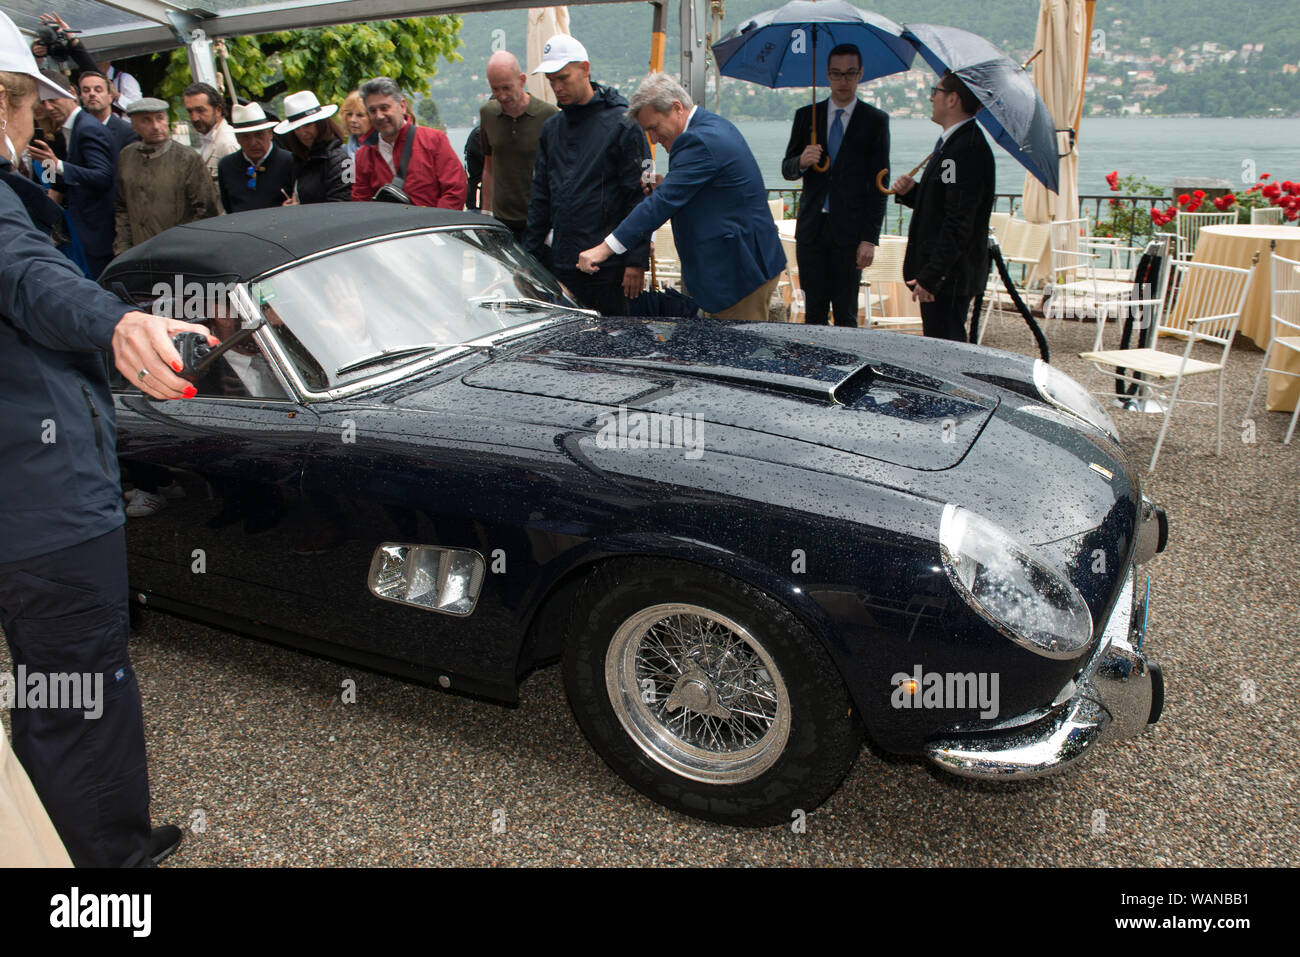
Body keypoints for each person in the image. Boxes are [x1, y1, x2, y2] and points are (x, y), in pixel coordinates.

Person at [2, 11, 211, 866]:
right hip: (45, 507)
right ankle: (101, 875)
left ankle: (93, 836)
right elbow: (27, 274)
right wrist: (118, 319)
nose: (37, 124)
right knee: (80, 693)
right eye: (28, 108)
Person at [577, 73, 784, 321]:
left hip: (738, 274)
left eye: (654, 128)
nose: (652, 139)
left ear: (677, 108)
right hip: (744, 265)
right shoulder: (710, 127)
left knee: (737, 354)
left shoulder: (697, 140)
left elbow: (660, 205)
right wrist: (668, 185)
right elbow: (701, 190)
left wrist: (604, 249)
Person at [523, 35, 648, 315]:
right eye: (551, 80)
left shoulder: (623, 124)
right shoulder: (551, 129)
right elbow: (540, 198)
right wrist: (528, 258)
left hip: (611, 268)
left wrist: (636, 261)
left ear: (585, 69)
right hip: (563, 264)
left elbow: (640, 196)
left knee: (615, 346)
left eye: (563, 78)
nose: (557, 87)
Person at [782, 43, 890, 327]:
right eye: (836, 74)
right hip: (812, 232)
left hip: (851, 234)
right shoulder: (807, 117)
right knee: (813, 313)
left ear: (860, 74)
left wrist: (870, 238)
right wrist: (802, 161)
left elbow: (881, 184)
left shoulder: (875, 121)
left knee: (846, 315)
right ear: (827, 76)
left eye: (850, 74)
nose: (843, 81)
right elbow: (787, 169)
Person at [891, 71, 995, 341]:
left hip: (949, 278)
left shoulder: (964, 149)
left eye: (935, 91)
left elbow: (958, 219)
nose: (930, 97)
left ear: (952, 100)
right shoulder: (953, 146)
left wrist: (932, 276)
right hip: (945, 276)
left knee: (946, 349)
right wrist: (912, 193)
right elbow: (945, 203)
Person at [24, 67, 115, 276]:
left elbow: (102, 176)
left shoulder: (84, 128)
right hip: (74, 222)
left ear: (70, 92)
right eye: (41, 102)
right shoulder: (64, 131)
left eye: (52, 99)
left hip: (88, 227)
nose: (47, 107)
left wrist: (56, 166)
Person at [114, 97, 218, 254]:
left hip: (179, 251)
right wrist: (123, 248)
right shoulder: (127, 156)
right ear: (134, 126)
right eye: (146, 121)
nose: (156, 126)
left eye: (160, 118)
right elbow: (122, 207)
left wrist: (182, 245)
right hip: (139, 252)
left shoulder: (186, 158)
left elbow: (207, 210)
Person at [351, 77, 466, 208]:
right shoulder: (363, 156)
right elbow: (360, 202)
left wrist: (433, 224)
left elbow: (455, 189)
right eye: (372, 111)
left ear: (402, 106)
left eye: (384, 108)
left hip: (433, 227)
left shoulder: (434, 140)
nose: (379, 116)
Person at [479, 50, 558, 240]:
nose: (501, 96)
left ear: (522, 81)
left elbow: (559, 172)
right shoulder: (488, 114)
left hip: (539, 221)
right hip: (501, 222)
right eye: (495, 89)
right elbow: (489, 165)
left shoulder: (548, 115)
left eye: (507, 88)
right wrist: (486, 214)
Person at [218, 102, 295, 213]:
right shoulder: (226, 166)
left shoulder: (290, 161)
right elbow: (228, 207)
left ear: (270, 134)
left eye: (259, 135)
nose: (253, 143)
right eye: (245, 137)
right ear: (237, 138)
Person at [275, 90, 350, 204]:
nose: (302, 133)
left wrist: (300, 211)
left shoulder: (344, 161)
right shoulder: (298, 160)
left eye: (307, 125)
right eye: (296, 128)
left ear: (321, 124)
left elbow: (343, 204)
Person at [183, 81, 239, 206]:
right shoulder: (208, 138)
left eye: (200, 110)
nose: (194, 118)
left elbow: (238, 195)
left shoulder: (227, 143)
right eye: (190, 111)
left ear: (218, 110)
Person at [77, 69, 137, 154]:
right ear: (81, 97)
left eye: (98, 90)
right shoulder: (78, 130)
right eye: (86, 90)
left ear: (110, 97)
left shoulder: (128, 132)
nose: (92, 94)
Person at [340, 90, 371, 158]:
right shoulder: (342, 152)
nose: (353, 120)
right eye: (349, 114)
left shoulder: (385, 149)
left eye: (360, 115)